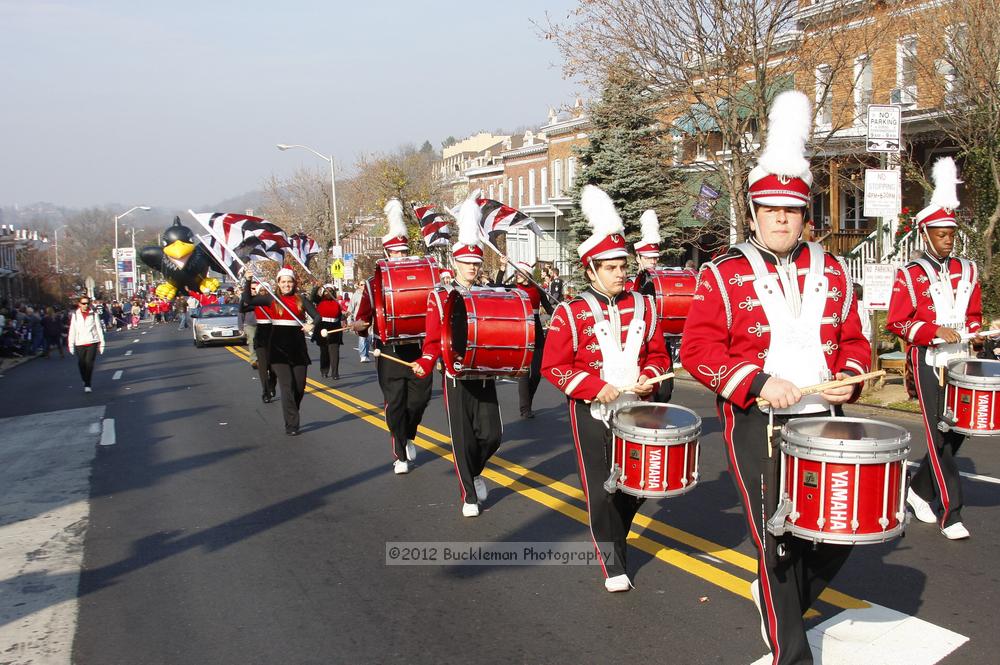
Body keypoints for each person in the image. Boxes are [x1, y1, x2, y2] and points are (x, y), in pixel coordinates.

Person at [680, 91, 870, 665]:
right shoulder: (722, 272)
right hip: (756, 424)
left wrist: (853, 376)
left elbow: (857, 340)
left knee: (838, 530)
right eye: (771, 210)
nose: (782, 219)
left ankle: (775, 597)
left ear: (804, 215)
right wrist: (758, 383)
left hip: (824, 420)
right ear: (756, 213)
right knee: (780, 539)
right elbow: (697, 349)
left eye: (791, 210)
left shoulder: (835, 270)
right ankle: (791, 650)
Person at [541, 186, 671, 592]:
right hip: (593, 411)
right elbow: (553, 366)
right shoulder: (571, 312)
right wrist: (594, 387)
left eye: (623, 265)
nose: (621, 273)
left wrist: (651, 376)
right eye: (612, 267)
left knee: (639, 485)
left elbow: (659, 354)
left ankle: (618, 531)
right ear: (591, 270)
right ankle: (613, 562)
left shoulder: (645, 306)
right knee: (601, 489)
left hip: (638, 409)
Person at [887, 157, 983, 541]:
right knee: (939, 435)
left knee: (959, 430)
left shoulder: (969, 269)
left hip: (962, 360)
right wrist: (932, 331)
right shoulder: (909, 274)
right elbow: (898, 321)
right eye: (941, 234)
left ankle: (919, 489)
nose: (948, 239)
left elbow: (973, 315)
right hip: (928, 360)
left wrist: (974, 332)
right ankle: (951, 512)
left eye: (951, 234)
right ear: (926, 235)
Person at [414, 194, 501, 515]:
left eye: (476, 263)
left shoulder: (487, 293)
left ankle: (475, 472)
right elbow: (433, 336)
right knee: (462, 437)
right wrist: (426, 360)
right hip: (454, 372)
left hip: (484, 371)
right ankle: (469, 495)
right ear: (454, 262)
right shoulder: (439, 296)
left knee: (492, 435)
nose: (472, 268)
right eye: (466, 263)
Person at [352, 199, 434, 473]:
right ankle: (400, 453)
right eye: (395, 254)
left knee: (419, 401)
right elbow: (364, 318)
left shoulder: (422, 278)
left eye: (403, 252)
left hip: (418, 347)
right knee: (395, 404)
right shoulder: (373, 284)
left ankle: (409, 433)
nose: (400, 257)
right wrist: (360, 324)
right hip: (387, 350)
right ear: (387, 255)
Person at [241, 267, 319, 435]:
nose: (286, 285)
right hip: (278, 347)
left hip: (297, 347)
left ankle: (292, 412)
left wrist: (311, 324)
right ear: (278, 283)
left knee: (299, 387)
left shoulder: (301, 299)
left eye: (289, 281)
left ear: (294, 283)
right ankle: (291, 424)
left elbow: (317, 316)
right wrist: (247, 280)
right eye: (283, 282)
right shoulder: (272, 299)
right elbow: (248, 299)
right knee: (287, 386)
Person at [496, 258, 554, 418]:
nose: (517, 275)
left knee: (536, 373)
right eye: (515, 272)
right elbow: (497, 286)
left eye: (520, 272)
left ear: (527, 274)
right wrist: (502, 268)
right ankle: (525, 409)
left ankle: (528, 401)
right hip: (521, 329)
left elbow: (549, 309)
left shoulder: (538, 290)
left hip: (536, 328)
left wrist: (561, 311)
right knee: (524, 372)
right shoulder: (514, 288)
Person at [239, 278, 277, 401]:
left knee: (274, 366)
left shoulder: (274, 302)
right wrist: (243, 295)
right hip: (261, 334)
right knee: (263, 365)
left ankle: (272, 384)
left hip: (274, 333)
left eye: (266, 290)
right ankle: (265, 392)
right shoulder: (256, 304)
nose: (263, 292)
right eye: (261, 290)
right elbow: (242, 309)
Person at [68, 295, 106, 393]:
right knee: (81, 363)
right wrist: (71, 344)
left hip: (92, 341)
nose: (85, 305)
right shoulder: (75, 315)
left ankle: (87, 383)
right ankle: (85, 379)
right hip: (79, 342)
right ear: (79, 304)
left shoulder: (93, 314)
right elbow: (72, 330)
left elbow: (98, 328)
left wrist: (102, 343)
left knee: (89, 363)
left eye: (87, 303)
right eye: (83, 303)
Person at [312, 283, 343, 379]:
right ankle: (324, 370)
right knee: (324, 351)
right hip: (322, 327)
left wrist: (344, 318)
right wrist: (318, 286)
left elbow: (339, 315)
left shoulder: (337, 302)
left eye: (330, 290)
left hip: (334, 327)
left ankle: (335, 373)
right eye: (326, 290)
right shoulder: (319, 300)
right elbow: (313, 296)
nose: (328, 292)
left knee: (334, 351)